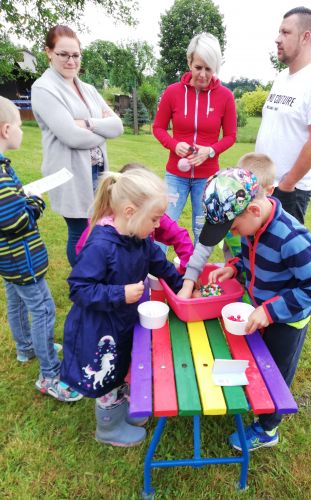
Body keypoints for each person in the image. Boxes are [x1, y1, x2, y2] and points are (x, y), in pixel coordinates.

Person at [198, 167, 311, 451]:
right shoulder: (253, 227)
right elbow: (249, 262)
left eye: (232, 228)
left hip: (286, 322)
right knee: (258, 360)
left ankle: (269, 429)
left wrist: (270, 312)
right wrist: (232, 269)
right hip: (261, 311)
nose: (233, 235)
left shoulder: (292, 237)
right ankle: (254, 402)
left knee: (276, 374)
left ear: (254, 210)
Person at [59, 169, 184, 447]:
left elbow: (160, 264)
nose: (156, 227)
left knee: (121, 366)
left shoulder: (138, 238)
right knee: (106, 376)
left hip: (122, 321)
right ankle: (108, 429)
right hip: (99, 329)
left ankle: (123, 411)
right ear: (129, 211)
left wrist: (183, 285)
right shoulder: (101, 245)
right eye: (154, 219)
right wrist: (119, 293)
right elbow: (78, 289)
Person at [0, 96, 81, 402]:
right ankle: (50, 375)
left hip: (9, 260)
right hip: (23, 260)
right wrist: (33, 203)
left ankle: (25, 348)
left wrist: (19, 196)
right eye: (20, 126)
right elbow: (14, 220)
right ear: (7, 130)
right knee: (43, 309)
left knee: (16, 301)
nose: (22, 130)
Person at [31, 25, 123, 267]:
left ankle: (95, 276)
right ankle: (83, 282)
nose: (71, 60)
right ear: (49, 52)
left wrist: (89, 123)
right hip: (70, 172)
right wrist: (102, 132)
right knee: (79, 232)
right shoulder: (44, 88)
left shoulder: (89, 90)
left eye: (76, 55)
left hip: (98, 171)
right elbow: (71, 136)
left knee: (100, 227)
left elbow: (117, 126)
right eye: (64, 54)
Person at [255, 7, 311, 224]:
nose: (277, 39)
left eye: (285, 33)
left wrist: (287, 184)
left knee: (282, 253)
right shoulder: (282, 77)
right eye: (279, 32)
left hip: (290, 189)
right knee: (257, 251)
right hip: (264, 183)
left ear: (305, 37)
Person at [153, 32, 237, 243]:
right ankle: (154, 274)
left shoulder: (225, 96)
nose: (202, 74)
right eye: (198, 67)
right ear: (189, 61)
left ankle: (196, 274)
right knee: (162, 225)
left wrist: (209, 151)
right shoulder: (172, 92)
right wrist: (174, 145)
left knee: (202, 228)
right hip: (175, 174)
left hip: (207, 177)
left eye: (209, 69)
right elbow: (158, 128)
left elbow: (230, 136)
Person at [178, 153, 275, 299]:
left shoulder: (277, 233)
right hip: (234, 280)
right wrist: (188, 283)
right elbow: (204, 246)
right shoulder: (226, 210)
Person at [75, 163, 194, 272]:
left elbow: (178, 236)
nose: (157, 223)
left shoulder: (151, 216)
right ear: (130, 210)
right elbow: (84, 261)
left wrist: (189, 272)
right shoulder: (99, 233)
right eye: (154, 220)